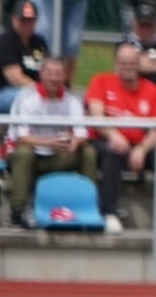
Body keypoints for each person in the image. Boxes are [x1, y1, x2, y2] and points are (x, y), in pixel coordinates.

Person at [86, 42, 156, 234]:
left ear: (139, 64)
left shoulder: (154, 91)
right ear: (116, 64)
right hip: (107, 140)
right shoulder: (101, 81)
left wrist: (142, 149)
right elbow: (96, 116)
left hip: (139, 145)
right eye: (123, 62)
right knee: (112, 151)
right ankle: (109, 212)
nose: (128, 67)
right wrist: (114, 134)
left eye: (132, 62)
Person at [5, 56, 96, 225]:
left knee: (88, 152)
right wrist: (49, 143)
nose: (53, 78)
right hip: (31, 155)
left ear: (65, 76)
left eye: (58, 74)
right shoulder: (26, 98)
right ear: (41, 74)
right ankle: (17, 211)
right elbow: (22, 136)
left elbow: (82, 132)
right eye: (49, 73)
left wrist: (75, 142)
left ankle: (91, 204)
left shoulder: (72, 100)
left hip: (59, 155)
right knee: (24, 152)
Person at [0, 0, 49, 114]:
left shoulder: (39, 42)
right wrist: (41, 91)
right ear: (13, 19)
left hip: (35, 90)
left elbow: (48, 69)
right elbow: (15, 78)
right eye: (23, 20)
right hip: (6, 92)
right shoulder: (5, 42)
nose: (26, 24)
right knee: (25, 97)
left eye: (30, 20)